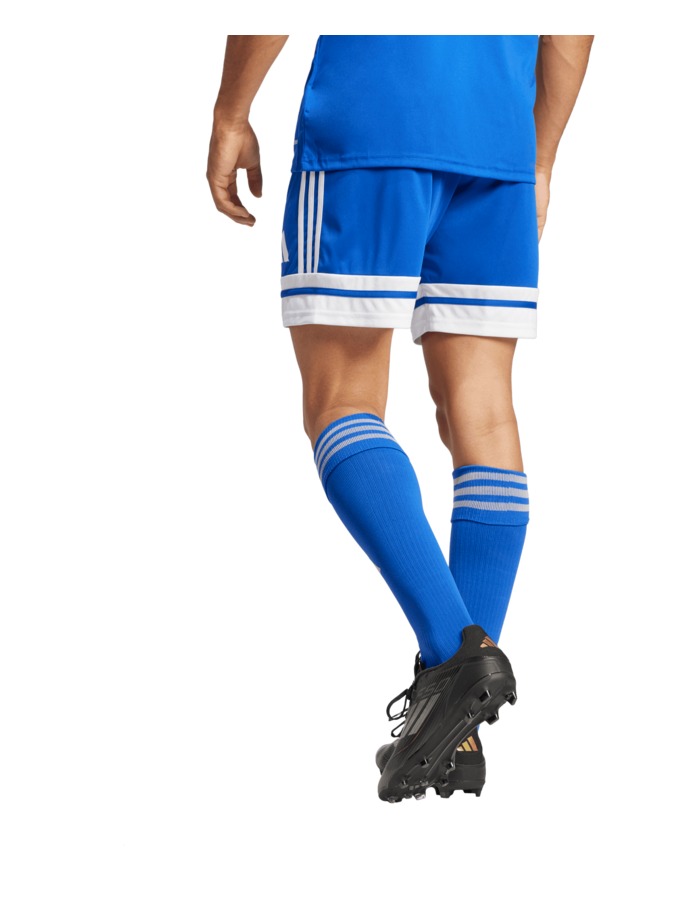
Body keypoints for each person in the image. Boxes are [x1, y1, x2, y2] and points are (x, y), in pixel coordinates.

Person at [207, 34, 593, 802]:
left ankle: (456, 659)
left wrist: (230, 112)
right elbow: (572, 24)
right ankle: (458, 732)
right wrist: (540, 156)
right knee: (483, 415)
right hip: (499, 139)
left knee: (341, 400)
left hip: (372, 116)